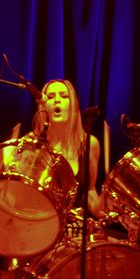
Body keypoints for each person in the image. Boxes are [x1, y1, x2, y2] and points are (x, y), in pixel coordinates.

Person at [30, 79, 101, 217]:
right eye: (50, 97)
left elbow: (90, 189)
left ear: (73, 106)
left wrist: (100, 207)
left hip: (72, 225)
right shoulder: (32, 143)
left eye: (64, 96)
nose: (57, 100)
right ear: (43, 107)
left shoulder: (90, 144)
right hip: (38, 221)